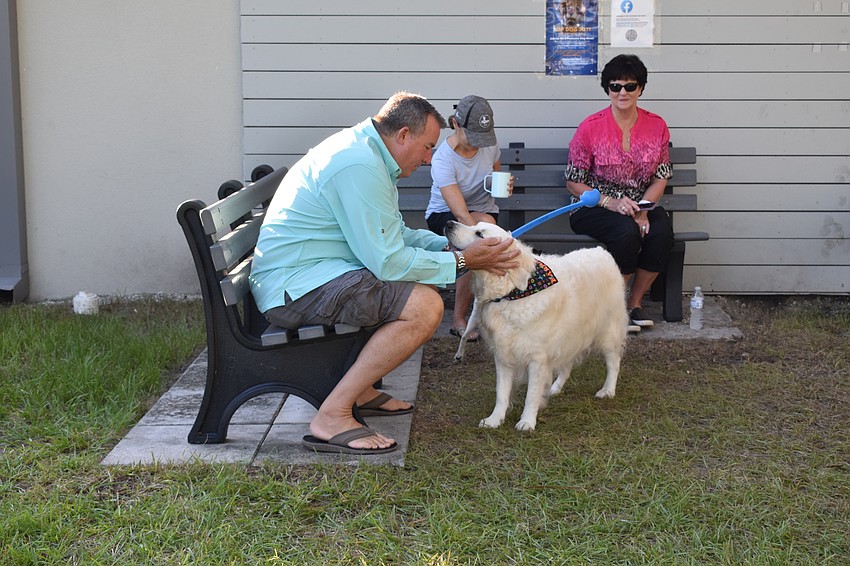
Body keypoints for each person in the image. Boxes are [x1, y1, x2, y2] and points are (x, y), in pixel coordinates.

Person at [249, 92, 520, 455]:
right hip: (296, 288)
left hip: (308, 275)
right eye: (426, 147)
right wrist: (463, 262)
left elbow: (393, 235)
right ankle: (332, 414)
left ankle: (361, 389)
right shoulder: (359, 165)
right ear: (403, 134)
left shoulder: (367, 155)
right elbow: (388, 262)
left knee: (414, 287)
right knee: (423, 306)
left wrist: (448, 247)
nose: (428, 159)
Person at [564, 54, 674, 333]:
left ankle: (633, 304)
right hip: (594, 205)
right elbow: (573, 182)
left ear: (641, 88)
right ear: (607, 89)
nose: (622, 93)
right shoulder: (590, 127)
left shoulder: (657, 125)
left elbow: (661, 176)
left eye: (630, 86)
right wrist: (611, 202)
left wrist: (644, 210)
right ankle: (608, 308)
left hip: (641, 203)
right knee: (625, 232)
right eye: (615, 86)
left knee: (661, 231)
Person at [425, 95, 512, 341]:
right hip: (446, 215)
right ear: (455, 124)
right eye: (472, 137)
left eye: (482, 138)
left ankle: (482, 312)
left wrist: (503, 187)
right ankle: (459, 318)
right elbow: (461, 213)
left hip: (485, 211)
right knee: (474, 244)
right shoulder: (443, 159)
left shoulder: (491, 145)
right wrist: (483, 239)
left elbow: (493, 180)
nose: (478, 145)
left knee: (485, 229)